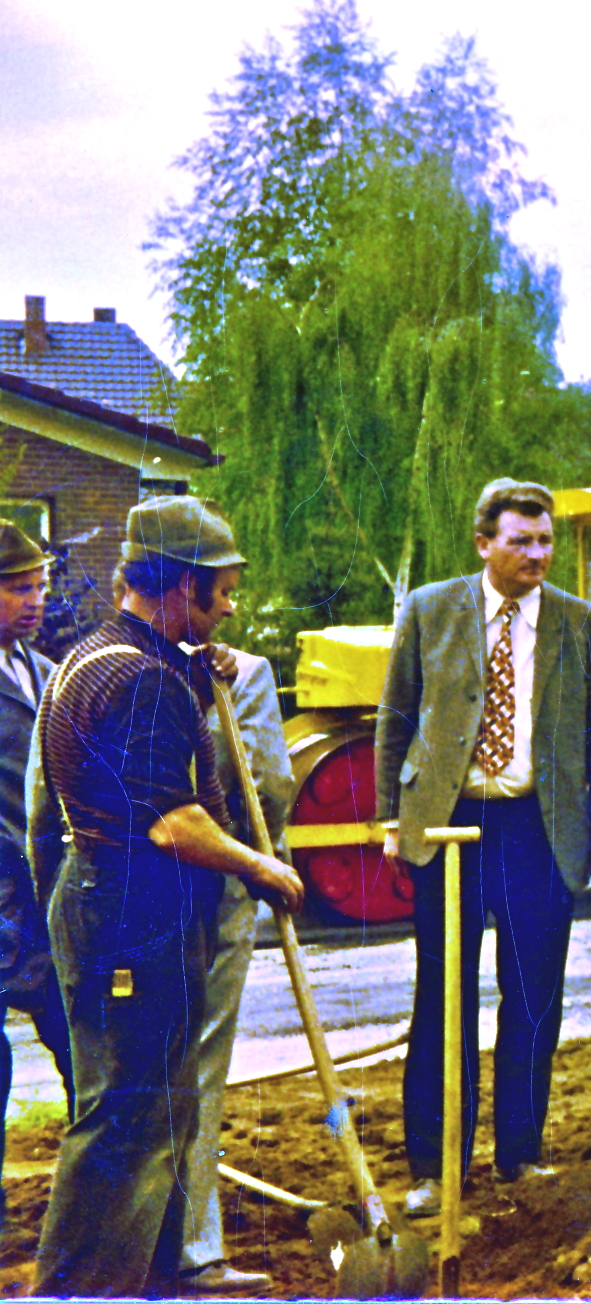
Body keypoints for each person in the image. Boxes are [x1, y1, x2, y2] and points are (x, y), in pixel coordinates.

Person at [33, 497, 305, 1299]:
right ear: (180, 586)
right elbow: (169, 821)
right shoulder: (145, 681)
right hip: (133, 917)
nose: (230, 605)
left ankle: (149, 1279)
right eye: (220, 589)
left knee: (148, 1111)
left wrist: (195, 666)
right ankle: (83, 1287)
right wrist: (261, 868)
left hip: (107, 906)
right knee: (129, 1117)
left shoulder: (101, 656)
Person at [377, 479, 591, 1218]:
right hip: (451, 827)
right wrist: (393, 820)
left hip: (539, 832)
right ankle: (434, 1167)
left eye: (545, 540)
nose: (537, 554)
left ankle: (520, 1157)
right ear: (484, 543)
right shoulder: (430, 610)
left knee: (532, 1001)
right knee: (442, 1000)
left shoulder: (579, 627)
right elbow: (396, 716)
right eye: (521, 540)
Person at [174, 645, 293, 1294]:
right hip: (217, 889)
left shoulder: (89, 662)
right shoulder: (241, 673)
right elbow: (269, 784)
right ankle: (194, 1248)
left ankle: (148, 1241)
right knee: (201, 1060)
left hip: (117, 899)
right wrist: (265, 865)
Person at [0, 524, 75, 1211]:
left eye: (40, 587)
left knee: (80, 1044)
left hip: (45, 898)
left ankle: (98, 1208)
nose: (34, 601)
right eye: (19, 587)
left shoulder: (46, 674)